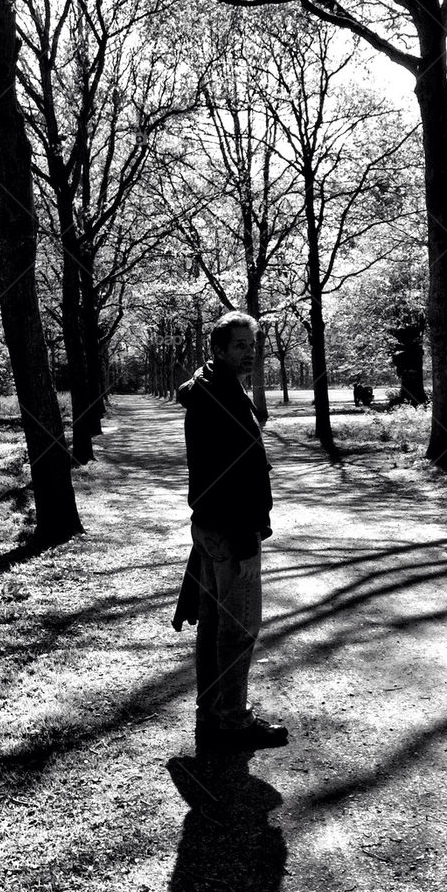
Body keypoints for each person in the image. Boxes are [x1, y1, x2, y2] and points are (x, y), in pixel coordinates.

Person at [174, 310, 289, 753]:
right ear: (217, 350)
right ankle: (232, 722)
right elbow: (228, 472)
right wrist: (245, 529)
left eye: (252, 346)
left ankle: (213, 711)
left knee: (218, 624)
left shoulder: (214, 388)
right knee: (237, 628)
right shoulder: (217, 394)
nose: (249, 354)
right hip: (229, 527)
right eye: (239, 346)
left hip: (214, 523)